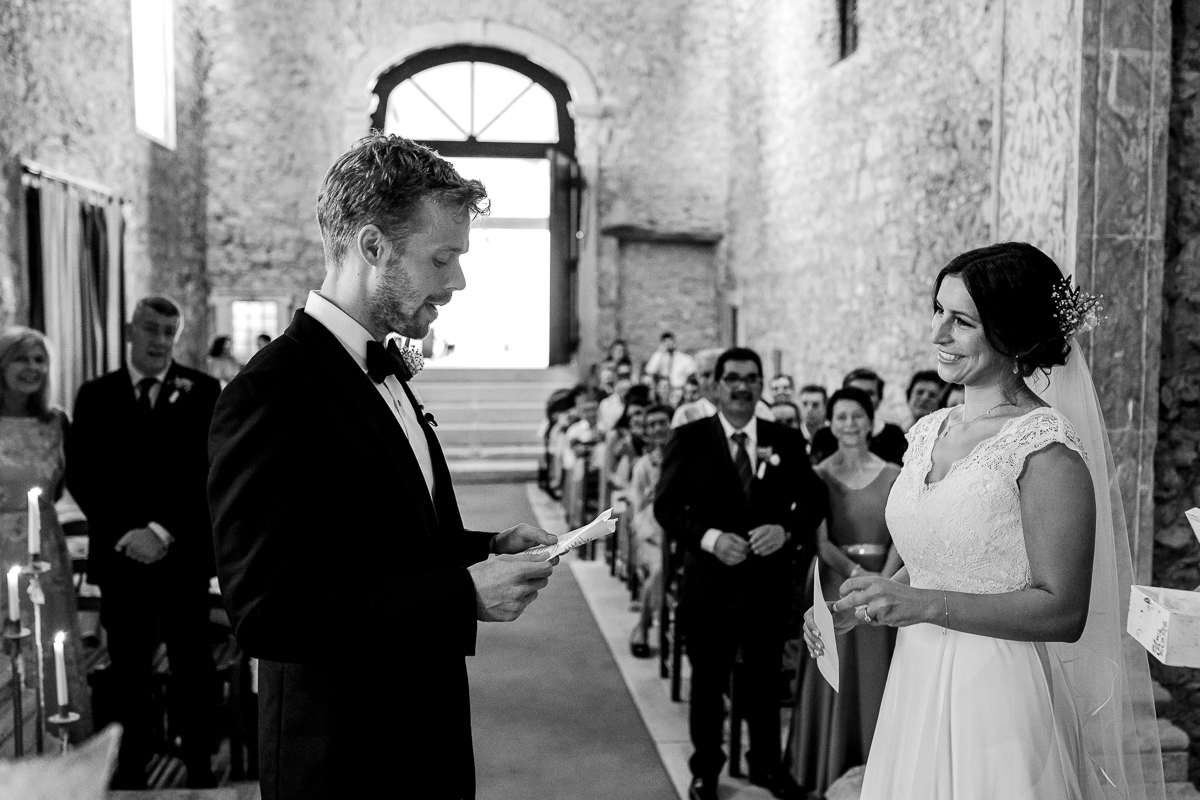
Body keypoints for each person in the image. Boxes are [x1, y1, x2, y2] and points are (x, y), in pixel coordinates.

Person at [207, 133, 558, 800]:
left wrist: (483, 551)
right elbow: (267, 609)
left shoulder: (379, 370)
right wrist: (463, 594)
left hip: (421, 732)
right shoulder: (271, 393)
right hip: (344, 756)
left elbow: (377, 544)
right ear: (373, 247)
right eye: (442, 258)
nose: (457, 281)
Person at [803, 242, 1164, 800]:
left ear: (1010, 332)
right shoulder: (930, 431)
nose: (937, 334)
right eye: (937, 310)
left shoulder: (1045, 448)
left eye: (961, 321)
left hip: (995, 686)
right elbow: (941, 558)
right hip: (916, 675)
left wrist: (921, 604)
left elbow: (1063, 610)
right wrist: (870, 601)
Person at [655, 346, 826, 800]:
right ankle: (705, 771)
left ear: (761, 384)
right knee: (709, 685)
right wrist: (711, 538)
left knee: (765, 684)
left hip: (766, 586)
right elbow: (667, 507)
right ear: (716, 385)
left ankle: (766, 766)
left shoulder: (784, 440)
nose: (742, 385)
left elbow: (812, 502)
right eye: (732, 377)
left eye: (751, 377)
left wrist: (784, 530)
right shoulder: (689, 438)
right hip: (708, 587)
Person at [66, 296, 221, 789]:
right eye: (150, 329)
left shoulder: (202, 390)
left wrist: (160, 531)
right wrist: (126, 535)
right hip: (121, 556)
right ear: (130, 331)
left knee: (191, 664)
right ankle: (131, 766)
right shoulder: (95, 395)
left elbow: (208, 472)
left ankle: (198, 763)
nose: (159, 341)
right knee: (128, 669)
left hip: (182, 555)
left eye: (168, 332)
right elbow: (85, 476)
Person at [785, 386, 901, 796]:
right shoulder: (818, 476)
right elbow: (821, 542)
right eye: (841, 416)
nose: (849, 423)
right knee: (837, 673)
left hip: (888, 582)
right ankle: (828, 769)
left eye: (857, 415)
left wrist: (882, 585)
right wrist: (857, 579)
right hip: (837, 582)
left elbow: (901, 538)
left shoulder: (895, 474)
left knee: (879, 676)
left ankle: (879, 772)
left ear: (871, 420)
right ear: (830, 424)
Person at [0, 328, 92, 739]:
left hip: (45, 557)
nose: (32, 368)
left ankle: (52, 754)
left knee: (45, 647)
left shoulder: (57, 423)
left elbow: (73, 486)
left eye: (40, 360)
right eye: (22, 358)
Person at [627, 403, 673, 658]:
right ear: (645, 432)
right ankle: (643, 627)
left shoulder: (685, 459)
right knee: (658, 569)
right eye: (652, 424)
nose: (658, 428)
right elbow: (638, 508)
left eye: (662, 422)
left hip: (680, 534)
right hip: (652, 534)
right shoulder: (644, 465)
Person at [811, 369, 906, 465]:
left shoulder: (894, 435)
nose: (862, 398)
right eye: (855, 392)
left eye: (870, 393)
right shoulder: (823, 437)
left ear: (880, 398)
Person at [674, 347, 774, 428]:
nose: (712, 381)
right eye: (706, 375)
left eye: (717, 374)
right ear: (697, 379)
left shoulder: (759, 410)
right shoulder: (686, 414)